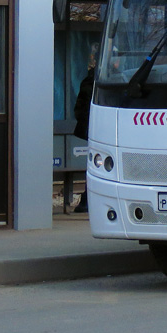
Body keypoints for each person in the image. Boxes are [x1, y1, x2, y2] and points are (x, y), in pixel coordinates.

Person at [72, 44, 98, 213]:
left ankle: (87, 200)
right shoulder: (96, 82)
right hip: (95, 129)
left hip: (91, 128)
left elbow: (79, 109)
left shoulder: (89, 81)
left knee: (93, 163)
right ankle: (88, 199)